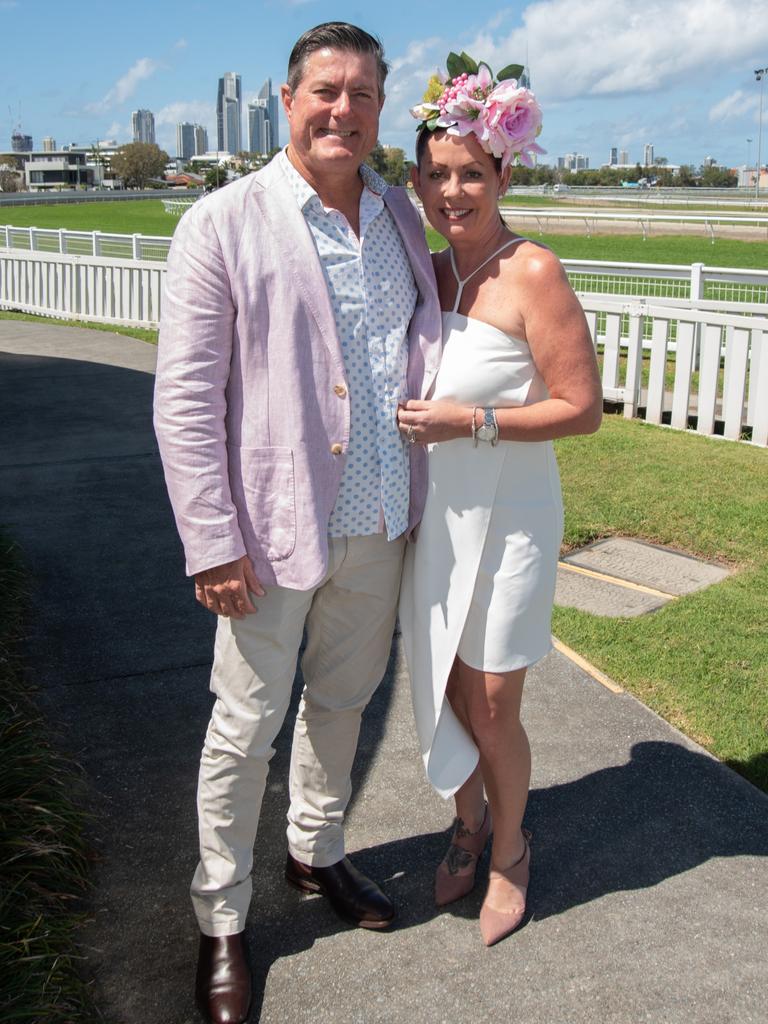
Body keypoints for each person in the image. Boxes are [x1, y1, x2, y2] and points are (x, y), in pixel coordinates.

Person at [153, 23, 440, 1024]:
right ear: (287, 100)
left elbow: (425, 346)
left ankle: (317, 853)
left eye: (363, 94)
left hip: (383, 516)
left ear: (379, 109)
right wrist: (212, 539)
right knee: (244, 728)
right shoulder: (225, 222)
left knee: (343, 704)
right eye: (327, 89)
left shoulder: (401, 216)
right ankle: (222, 917)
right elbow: (187, 397)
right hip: (268, 534)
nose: (343, 110)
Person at [397, 55, 602, 947]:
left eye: (471, 173)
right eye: (437, 175)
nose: (453, 191)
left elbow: (581, 410)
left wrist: (466, 420)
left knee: (491, 702)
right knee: (443, 687)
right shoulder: (431, 275)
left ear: (504, 173)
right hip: (438, 519)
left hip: (511, 523)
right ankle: (468, 821)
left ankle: (511, 849)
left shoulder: (533, 273)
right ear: (416, 182)